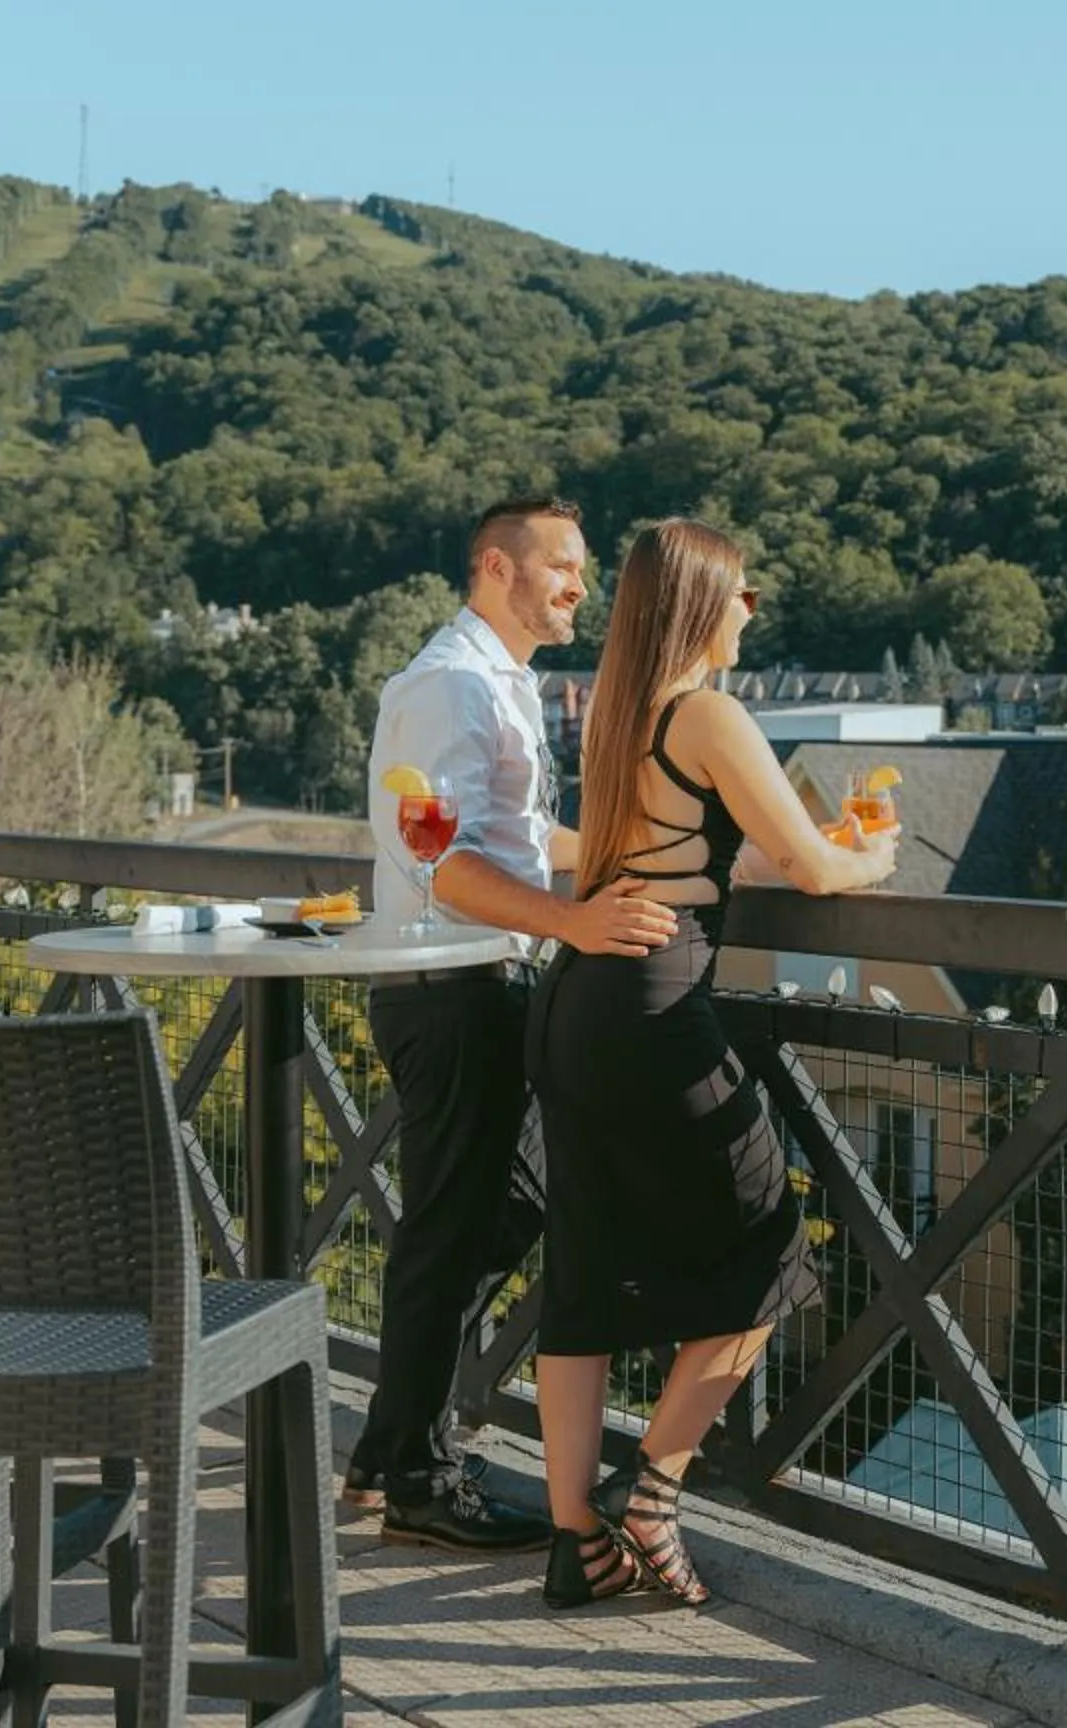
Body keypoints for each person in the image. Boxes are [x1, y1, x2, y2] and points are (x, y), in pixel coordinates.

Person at [526, 518, 899, 1609]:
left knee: (583, 1276)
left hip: (576, 1000)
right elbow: (814, 865)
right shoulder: (709, 713)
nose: (752, 611)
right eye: (739, 595)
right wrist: (876, 847)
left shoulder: (616, 712)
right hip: (654, 1001)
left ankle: (574, 1539)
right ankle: (654, 1493)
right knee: (768, 1254)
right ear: (698, 606)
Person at [353, 497, 678, 1552]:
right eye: (564, 568)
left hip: (482, 986)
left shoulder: (496, 682)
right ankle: (415, 1471)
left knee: (493, 1209)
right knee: (452, 1225)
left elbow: (523, 837)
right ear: (497, 567)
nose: (581, 587)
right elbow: (435, 855)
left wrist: (653, 853)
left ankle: (391, 1442)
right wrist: (574, 918)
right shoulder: (451, 683)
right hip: (451, 989)